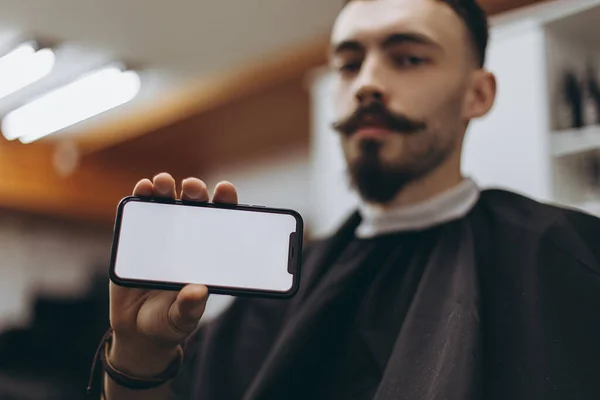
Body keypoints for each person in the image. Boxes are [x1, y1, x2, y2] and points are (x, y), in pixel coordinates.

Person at [97, 0, 600, 399]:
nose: (366, 85)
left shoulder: (570, 256)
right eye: (348, 64)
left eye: (408, 58)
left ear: (479, 94)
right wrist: (139, 358)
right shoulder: (276, 291)